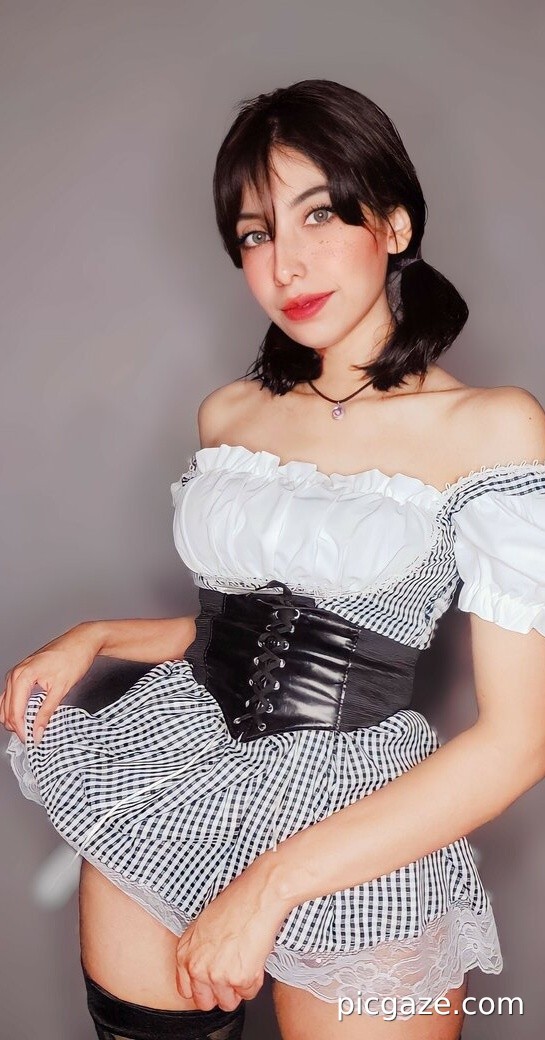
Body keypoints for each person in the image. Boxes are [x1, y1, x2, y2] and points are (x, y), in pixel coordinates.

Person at [2, 78, 545, 1040]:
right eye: (255, 234)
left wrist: (265, 888)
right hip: (178, 776)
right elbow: (246, 626)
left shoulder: (491, 428)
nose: (285, 262)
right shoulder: (229, 415)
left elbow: (517, 743)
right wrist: (102, 635)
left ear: (394, 223)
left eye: (320, 215)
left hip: (360, 820)